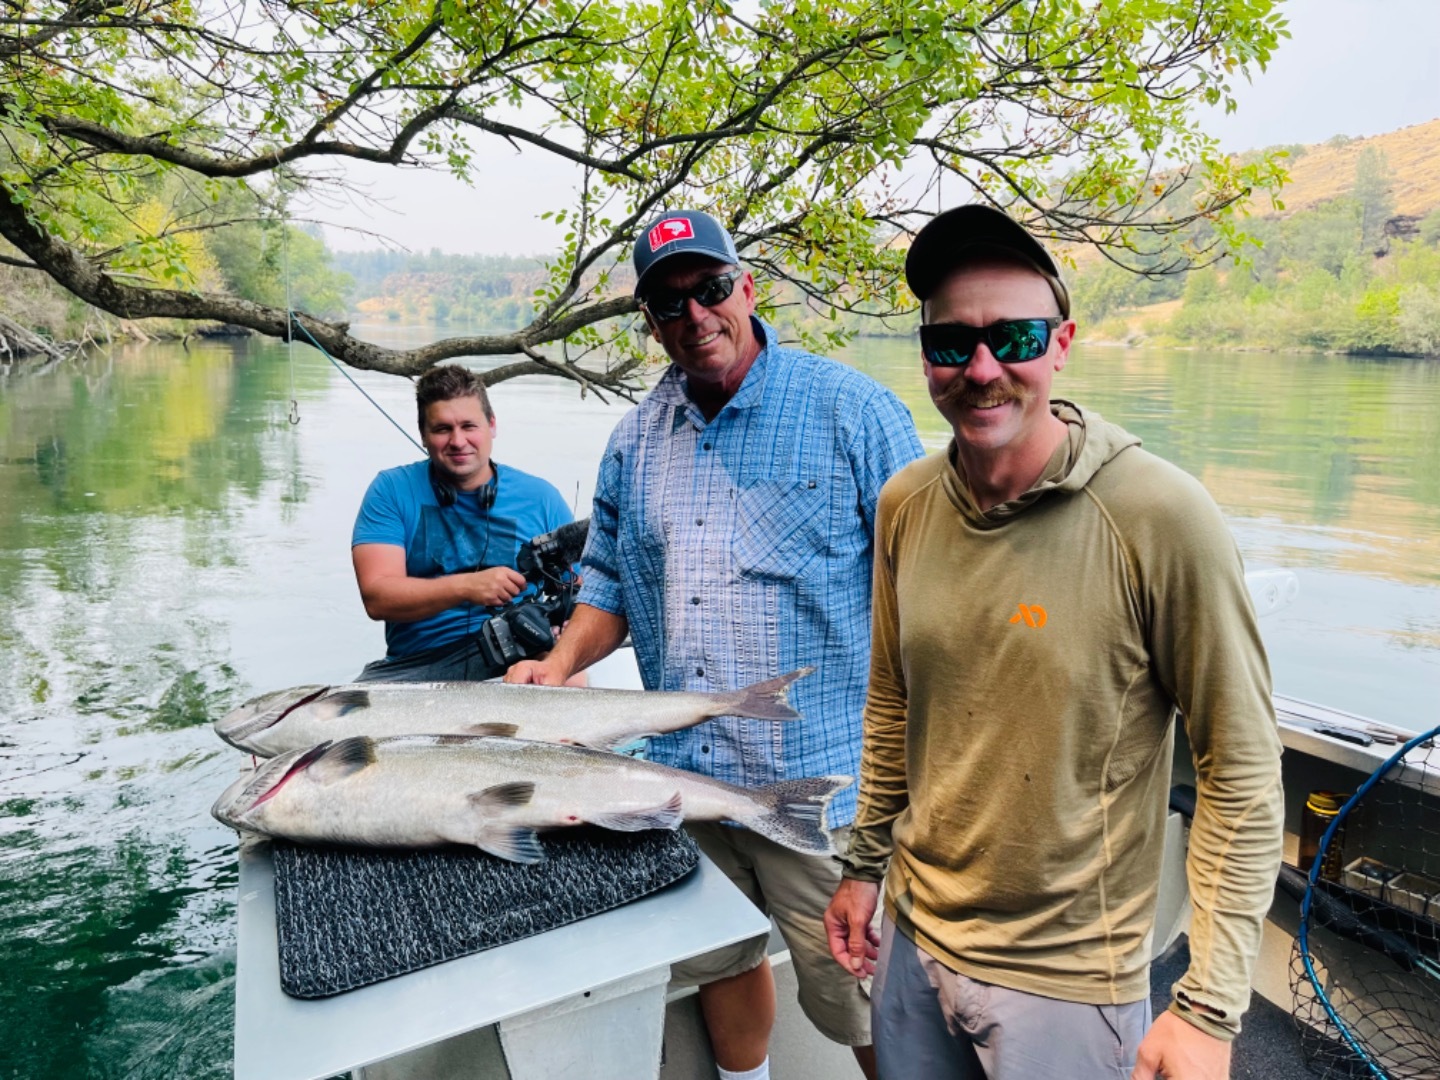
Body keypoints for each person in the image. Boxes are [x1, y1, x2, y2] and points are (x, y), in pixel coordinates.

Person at [823, 205, 1285, 1080]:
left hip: (1066, 978)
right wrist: (862, 867)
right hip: (915, 939)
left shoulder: (1159, 515)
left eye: (1015, 336)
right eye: (952, 344)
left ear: (1063, 342)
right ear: (926, 356)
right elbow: (893, 701)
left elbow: (1243, 767)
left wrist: (1211, 1007)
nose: (983, 369)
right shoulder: (905, 505)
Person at [506, 210, 924, 1080]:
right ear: (649, 323)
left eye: (710, 289)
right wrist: (558, 666)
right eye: (668, 304)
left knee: (864, 992)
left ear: (747, 286)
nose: (695, 315)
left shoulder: (854, 413)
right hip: (683, 778)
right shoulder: (633, 441)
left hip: (822, 785)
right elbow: (612, 587)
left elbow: (931, 596)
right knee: (719, 959)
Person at [351, 364, 573, 682]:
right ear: (423, 434)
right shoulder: (391, 490)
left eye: (469, 426)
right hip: (416, 666)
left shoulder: (541, 498)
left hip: (519, 661)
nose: (458, 441)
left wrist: (562, 641)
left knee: (568, 671)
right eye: (442, 429)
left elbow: (587, 596)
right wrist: (468, 587)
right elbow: (377, 597)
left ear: (492, 425)